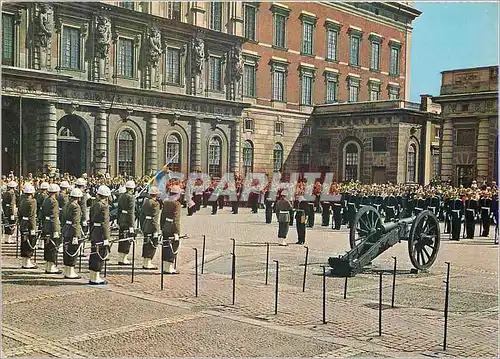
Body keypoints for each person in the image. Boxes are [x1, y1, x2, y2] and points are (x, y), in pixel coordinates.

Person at [88, 185, 112, 285]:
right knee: (100, 254)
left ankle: (93, 275)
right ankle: (96, 277)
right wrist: (107, 237)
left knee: (94, 253)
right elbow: (106, 224)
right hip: (101, 233)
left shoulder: (94, 204)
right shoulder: (104, 206)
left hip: (94, 231)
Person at [61, 188, 83, 279]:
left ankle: (67, 270)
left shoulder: (67, 204)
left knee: (66, 250)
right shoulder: (76, 206)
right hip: (72, 231)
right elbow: (75, 222)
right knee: (72, 251)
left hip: (66, 229)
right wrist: (76, 235)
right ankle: (70, 271)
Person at [160, 185, 182, 274]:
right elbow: (176, 219)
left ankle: (165, 267)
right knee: (173, 246)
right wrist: (177, 231)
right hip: (172, 228)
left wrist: (162, 227)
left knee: (166, 246)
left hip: (165, 226)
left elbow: (162, 216)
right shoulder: (176, 204)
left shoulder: (166, 202)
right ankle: (169, 268)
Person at [41, 184, 62, 274]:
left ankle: (48, 266)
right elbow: (54, 217)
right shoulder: (54, 202)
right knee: (53, 246)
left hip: (46, 224)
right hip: (52, 226)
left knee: (48, 245)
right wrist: (56, 229)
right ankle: (51, 267)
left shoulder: (46, 200)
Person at [140, 186, 161, 270]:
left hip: (146, 224)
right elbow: (155, 218)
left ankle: (145, 261)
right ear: (156, 194)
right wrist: (156, 230)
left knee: (146, 243)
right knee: (152, 244)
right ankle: (148, 263)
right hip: (152, 225)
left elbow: (142, 215)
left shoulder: (145, 202)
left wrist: (142, 225)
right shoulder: (155, 204)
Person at [18, 183, 38, 269]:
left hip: (23, 222)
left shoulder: (22, 200)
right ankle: (27, 262)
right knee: (30, 241)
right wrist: (33, 227)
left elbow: (19, 213)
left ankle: (24, 261)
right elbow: (32, 215)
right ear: (32, 193)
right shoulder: (32, 201)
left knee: (24, 241)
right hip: (29, 224)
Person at [117, 180, 136, 265]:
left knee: (122, 238)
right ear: (132, 189)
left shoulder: (122, 196)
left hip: (121, 218)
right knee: (127, 239)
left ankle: (121, 257)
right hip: (128, 220)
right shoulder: (131, 197)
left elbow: (119, 210)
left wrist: (118, 220)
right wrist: (132, 226)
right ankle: (124, 258)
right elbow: (131, 212)